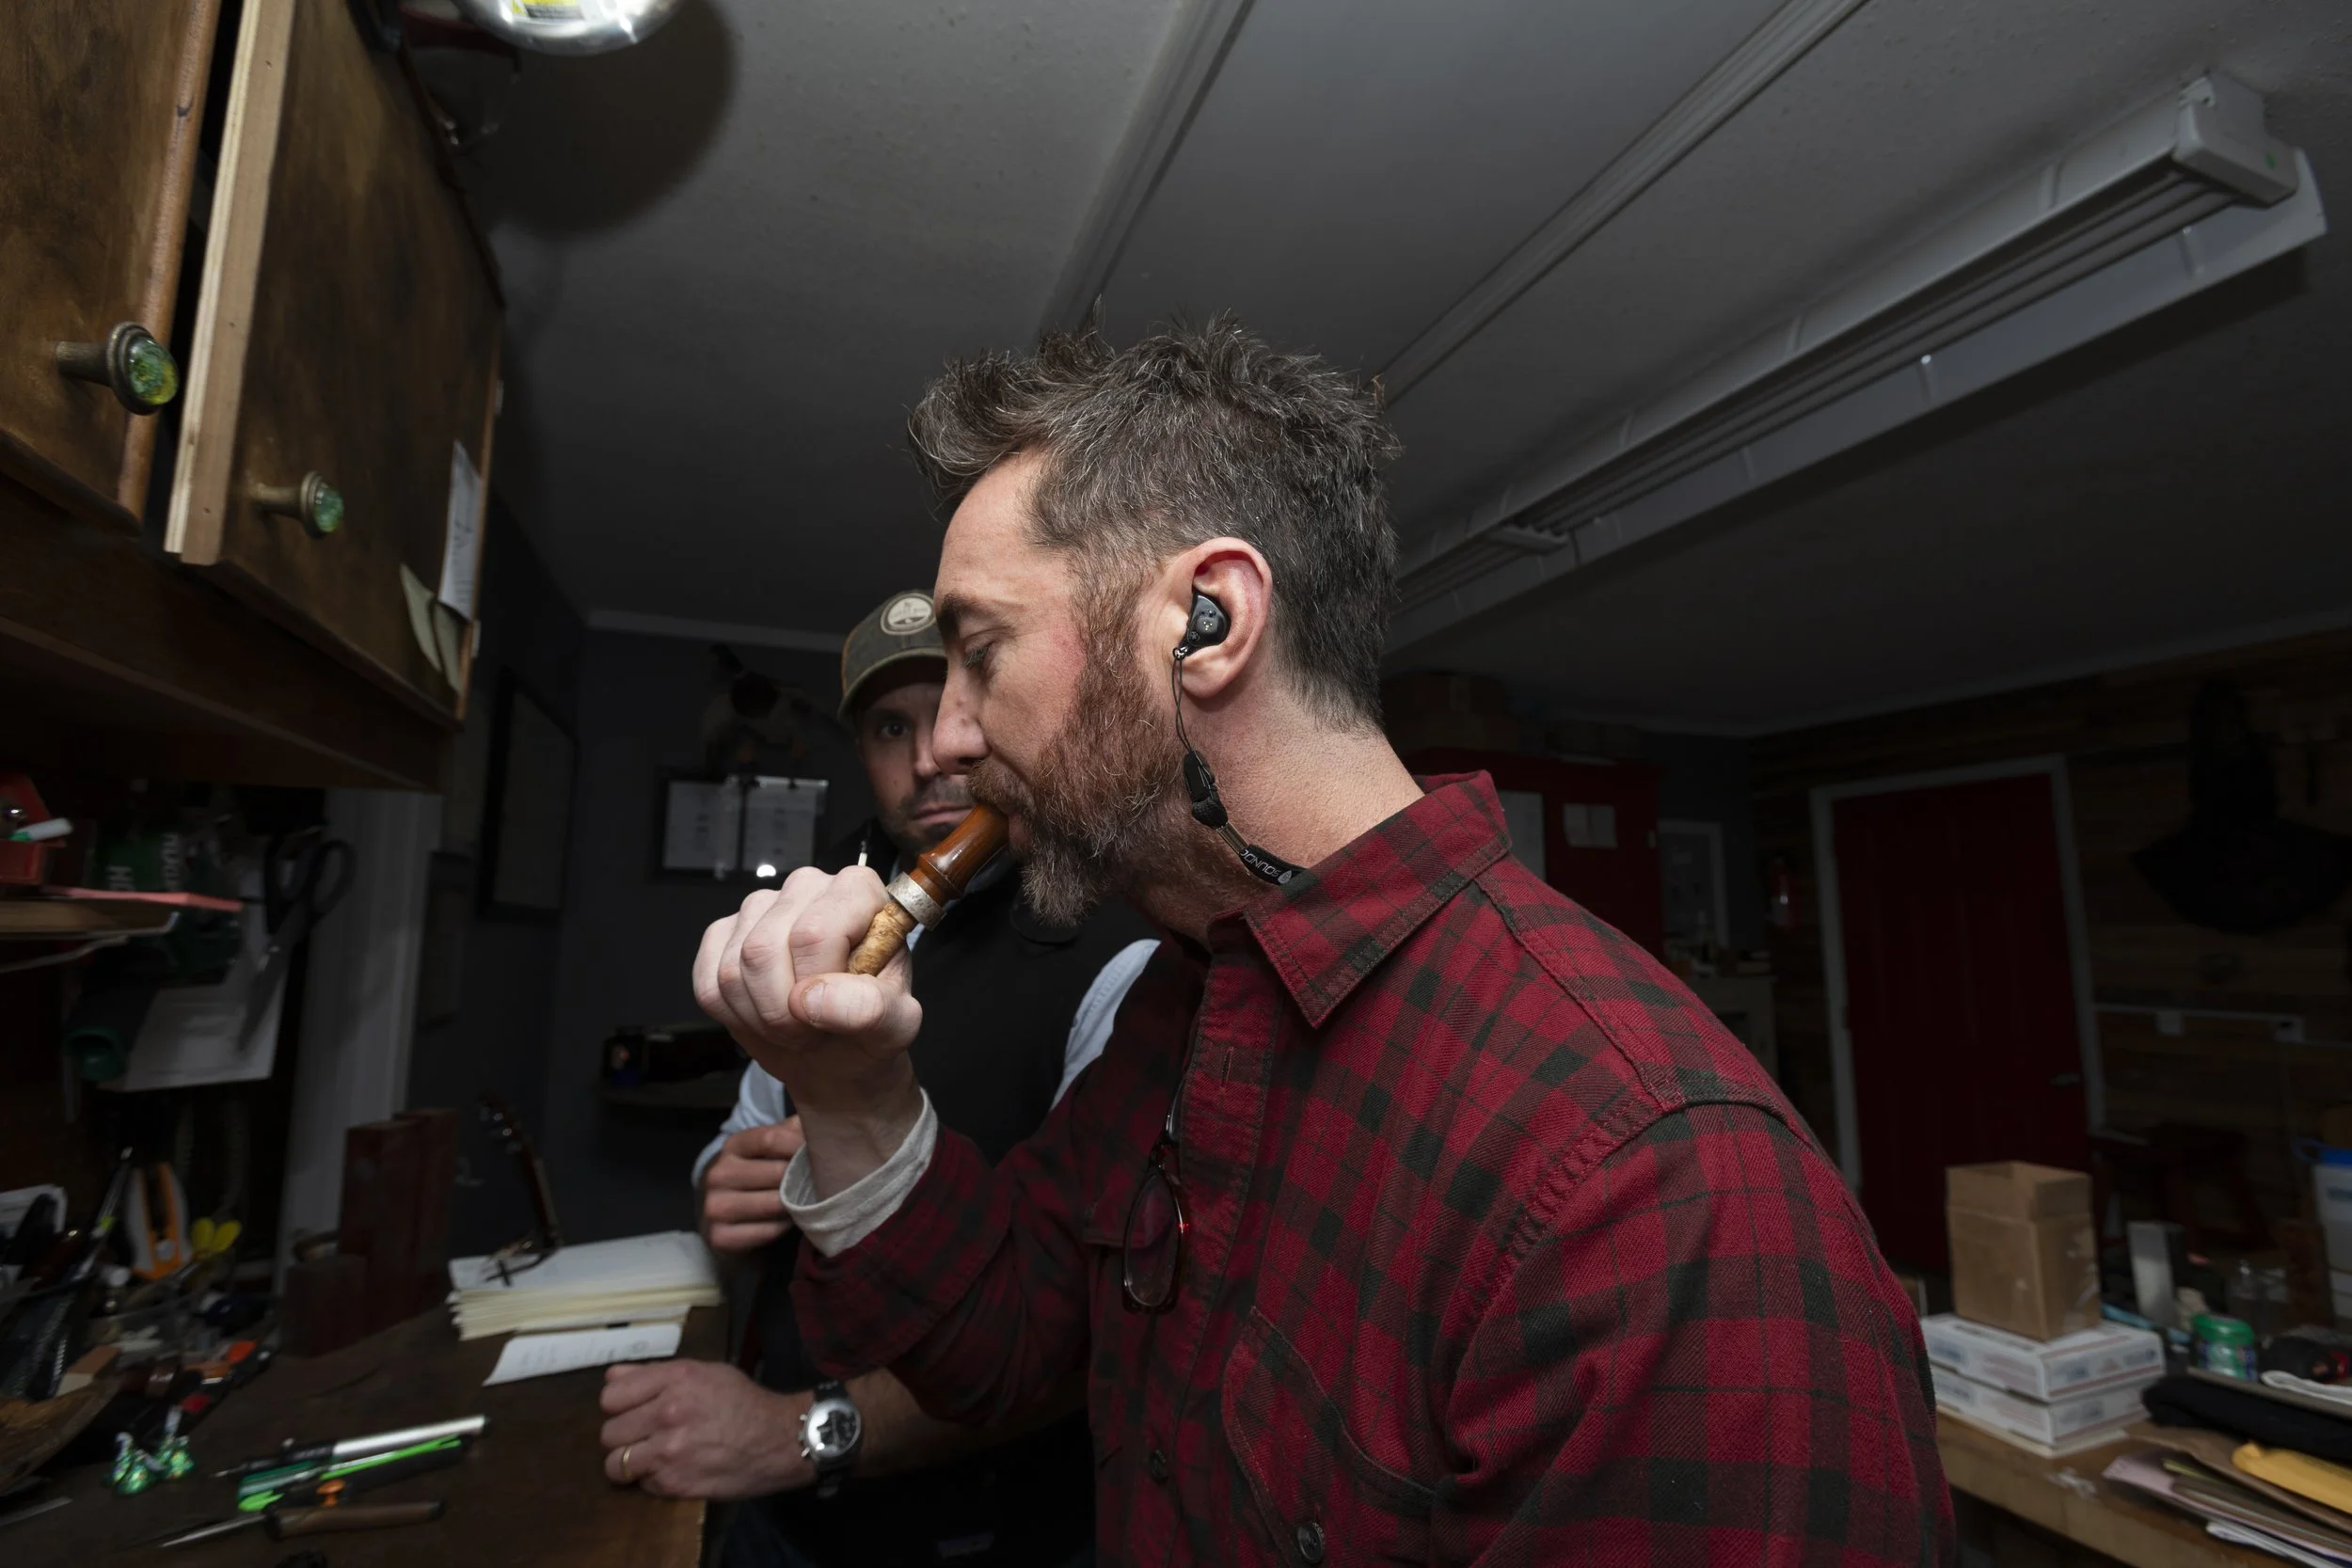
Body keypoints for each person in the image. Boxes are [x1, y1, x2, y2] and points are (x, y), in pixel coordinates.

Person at [691, 322, 1955, 1563]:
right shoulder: (1184, 1003)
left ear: (1208, 620)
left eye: (980, 652)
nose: (951, 741)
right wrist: (852, 1095)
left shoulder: (1655, 1182)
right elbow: (998, 1342)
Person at [601, 590, 1156, 1568]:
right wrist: (721, 1186)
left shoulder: (1120, 957)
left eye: (952, 707)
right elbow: (746, 1133)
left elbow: (1083, 1332)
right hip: (788, 1516)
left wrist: (786, 1432)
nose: (932, 755)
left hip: (996, 1525)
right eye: (888, 727)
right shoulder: (828, 914)